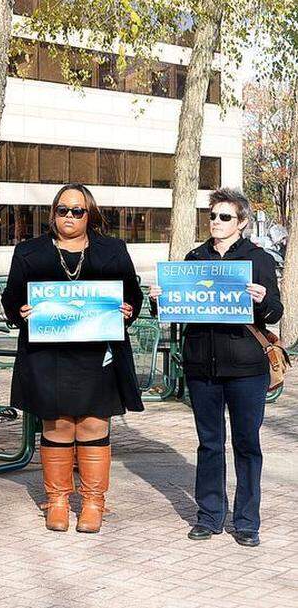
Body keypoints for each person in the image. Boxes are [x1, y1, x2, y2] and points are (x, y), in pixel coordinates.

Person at [1, 183, 143, 534]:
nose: (69, 216)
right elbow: (10, 302)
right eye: (63, 210)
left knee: (94, 425)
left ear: (89, 214)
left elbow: (132, 296)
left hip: (98, 357)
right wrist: (21, 311)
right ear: (53, 213)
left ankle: (93, 503)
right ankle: (59, 501)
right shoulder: (29, 252)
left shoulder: (113, 250)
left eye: (77, 211)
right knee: (58, 426)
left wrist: (128, 310)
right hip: (49, 356)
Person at [147, 188, 282, 547]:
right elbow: (174, 312)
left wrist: (263, 300)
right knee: (209, 444)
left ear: (241, 222)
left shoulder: (259, 260)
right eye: (213, 216)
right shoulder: (195, 258)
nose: (217, 222)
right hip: (201, 367)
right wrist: (157, 300)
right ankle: (209, 517)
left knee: (247, 444)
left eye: (225, 217)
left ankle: (247, 521)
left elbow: (275, 313)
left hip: (246, 369)